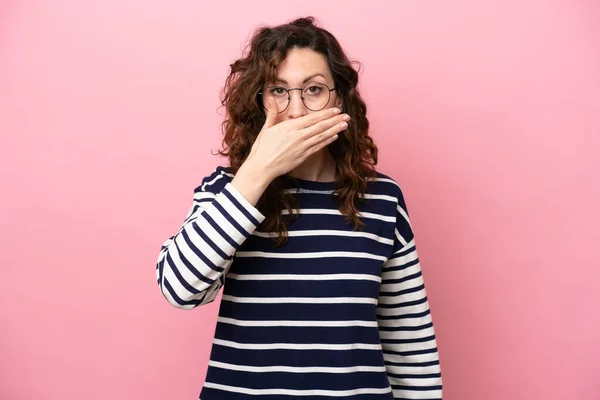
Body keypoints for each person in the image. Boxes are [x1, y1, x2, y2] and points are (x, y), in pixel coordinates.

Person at [156, 16, 442, 400]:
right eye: (278, 89)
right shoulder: (227, 190)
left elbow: (410, 344)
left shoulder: (383, 200)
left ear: (339, 98)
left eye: (313, 89)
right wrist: (258, 170)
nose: (295, 110)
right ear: (259, 99)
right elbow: (180, 289)